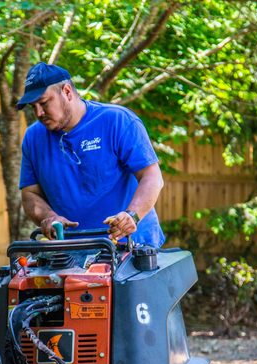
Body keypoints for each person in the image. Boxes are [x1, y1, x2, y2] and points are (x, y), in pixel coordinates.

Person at [16, 62, 166, 247]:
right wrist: (49, 217)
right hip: (71, 250)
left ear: (67, 92)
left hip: (132, 245)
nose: (39, 113)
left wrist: (132, 215)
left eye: (44, 103)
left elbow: (151, 177)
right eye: (33, 106)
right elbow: (30, 194)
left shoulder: (116, 120)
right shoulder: (33, 137)